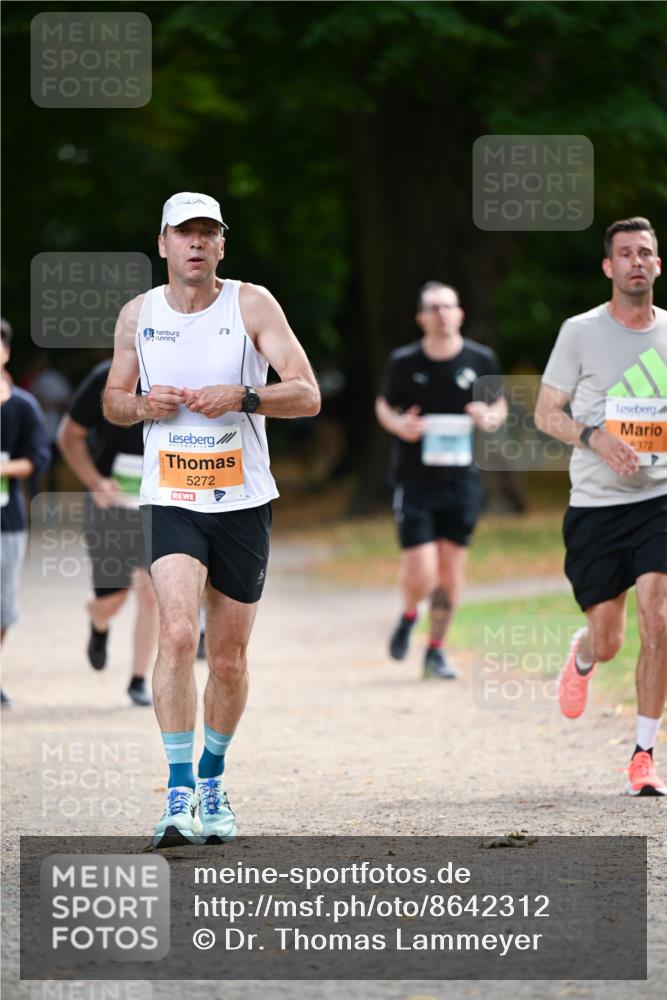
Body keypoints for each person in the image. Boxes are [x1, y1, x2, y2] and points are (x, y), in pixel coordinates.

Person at [103, 191, 320, 846]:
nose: (195, 242)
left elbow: (307, 394)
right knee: (175, 633)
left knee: (227, 660)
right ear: (163, 243)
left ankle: (211, 779)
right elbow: (113, 400)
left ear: (222, 244)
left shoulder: (251, 305)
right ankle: (177, 795)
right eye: (183, 232)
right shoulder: (138, 314)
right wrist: (143, 406)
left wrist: (245, 396)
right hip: (171, 498)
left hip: (242, 504)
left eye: (207, 232)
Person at [535, 216, 667, 796]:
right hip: (595, 505)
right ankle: (585, 654)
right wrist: (596, 438)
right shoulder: (580, 332)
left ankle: (643, 755)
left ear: (658, 264)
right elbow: (546, 414)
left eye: (646, 252)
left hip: (658, 500)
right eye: (626, 253)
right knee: (610, 639)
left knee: (658, 618)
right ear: (609, 267)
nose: (637, 261)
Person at [376, 282, 507, 679]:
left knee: (449, 575)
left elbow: (499, 404)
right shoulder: (404, 361)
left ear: (460, 313)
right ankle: (409, 613)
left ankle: (435, 650)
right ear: (421, 318)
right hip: (415, 482)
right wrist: (400, 424)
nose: (442, 314)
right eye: (433, 308)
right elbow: (384, 405)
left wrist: (489, 417)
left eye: (449, 307)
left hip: (461, 484)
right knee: (422, 574)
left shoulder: (480, 359)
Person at [57, 359, 158, 706]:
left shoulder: (179, 370)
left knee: (152, 594)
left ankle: (139, 680)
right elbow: (68, 435)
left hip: (158, 502)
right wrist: (95, 482)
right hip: (110, 503)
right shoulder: (106, 376)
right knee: (112, 600)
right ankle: (98, 620)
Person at [1, 319, 51, 707]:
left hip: (8, 522)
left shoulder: (23, 407)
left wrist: (4, 468)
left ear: (5, 352)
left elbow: (38, 458)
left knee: (4, 607)